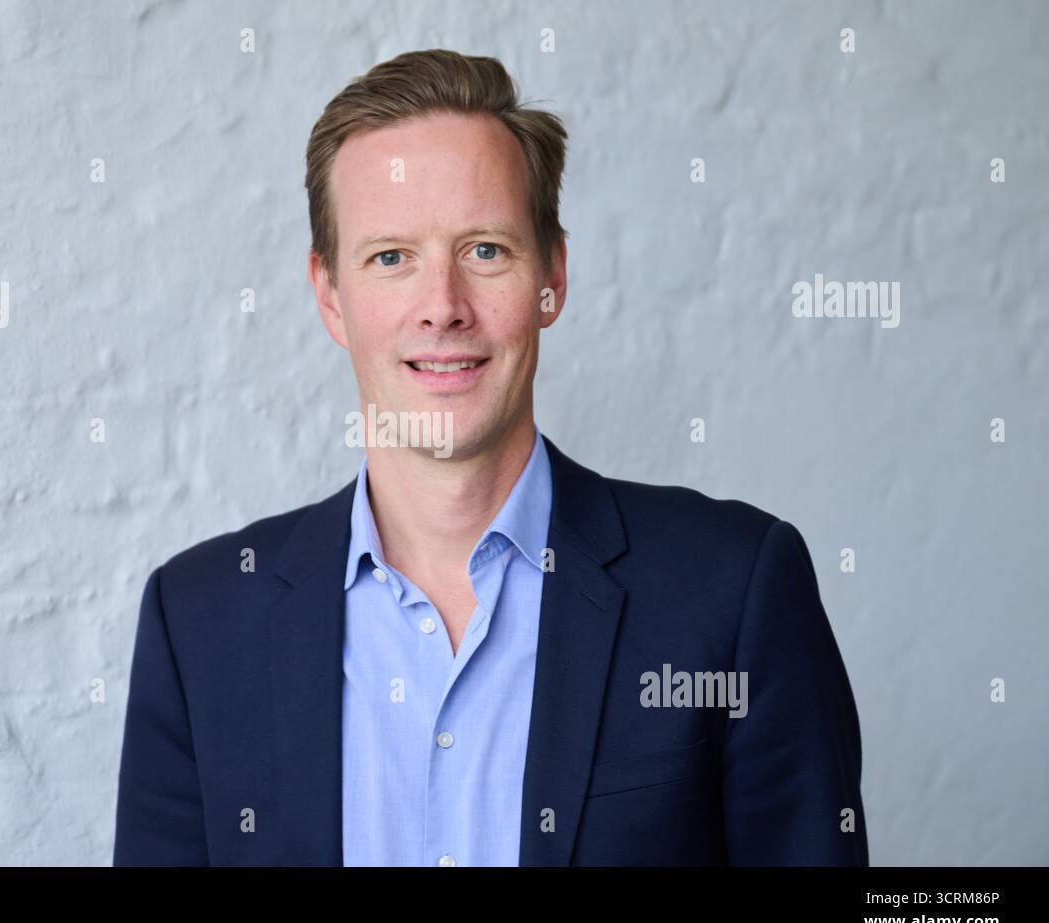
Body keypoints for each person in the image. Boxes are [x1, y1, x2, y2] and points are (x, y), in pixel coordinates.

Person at [114, 49, 868, 866]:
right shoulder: (199, 626)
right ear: (330, 294)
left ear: (552, 274)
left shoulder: (733, 591)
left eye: (485, 251)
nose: (443, 308)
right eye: (391, 257)